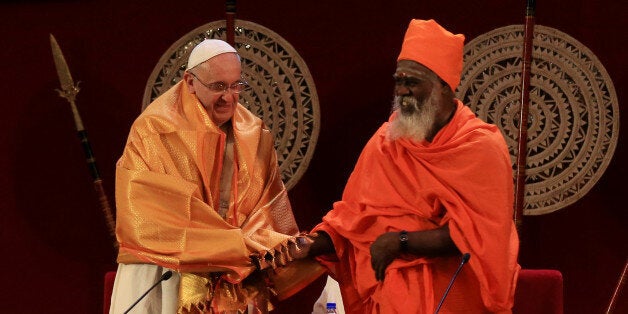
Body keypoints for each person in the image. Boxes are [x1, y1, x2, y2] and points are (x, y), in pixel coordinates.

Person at [297, 19, 521, 313]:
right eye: (399, 81)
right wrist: (314, 243)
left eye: (412, 82)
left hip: (454, 292)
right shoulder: (386, 140)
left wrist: (401, 242)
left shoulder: (479, 147)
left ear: (443, 86)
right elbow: (354, 217)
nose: (402, 91)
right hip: (390, 294)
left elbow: (481, 233)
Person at [109, 39, 304, 313]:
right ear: (190, 82)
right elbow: (144, 214)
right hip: (166, 273)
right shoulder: (153, 129)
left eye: (236, 85)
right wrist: (229, 244)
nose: (229, 97)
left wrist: (248, 244)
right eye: (218, 87)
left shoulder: (255, 134)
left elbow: (269, 206)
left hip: (235, 275)